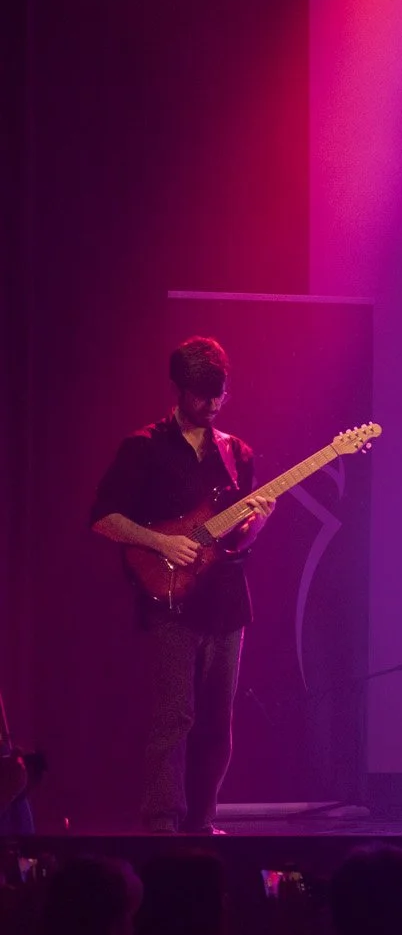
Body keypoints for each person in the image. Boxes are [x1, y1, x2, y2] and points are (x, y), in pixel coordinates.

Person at [89, 337, 275, 834]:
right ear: (179, 389)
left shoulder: (236, 452)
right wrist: (160, 542)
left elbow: (237, 539)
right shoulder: (143, 447)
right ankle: (160, 826)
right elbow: (103, 519)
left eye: (219, 395)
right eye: (201, 396)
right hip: (170, 601)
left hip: (228, 603)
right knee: (174, 718)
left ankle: (202, 822)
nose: (211, 405)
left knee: (218, 722)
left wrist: (257, 523)